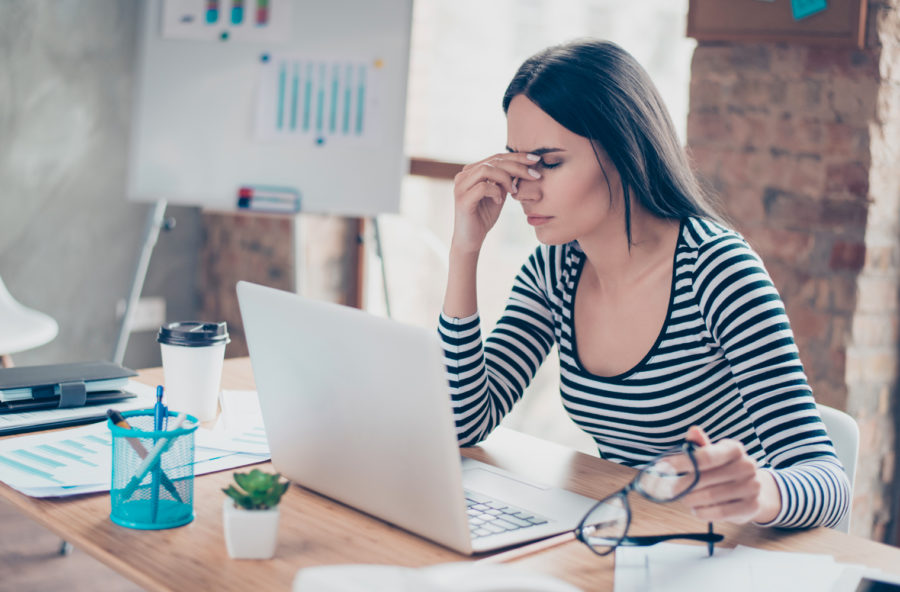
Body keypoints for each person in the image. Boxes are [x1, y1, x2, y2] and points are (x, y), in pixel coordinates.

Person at [438, 39, 849, 529]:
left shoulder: (717, 271)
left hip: (738, 545)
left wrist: (760, 490)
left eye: (548, 162)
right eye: (517, 162)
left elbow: (829, 480)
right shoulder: (555, 270)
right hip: (636, 535)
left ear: (623, 150)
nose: (524, 187)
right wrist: (465, 249)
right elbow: (463, 423)